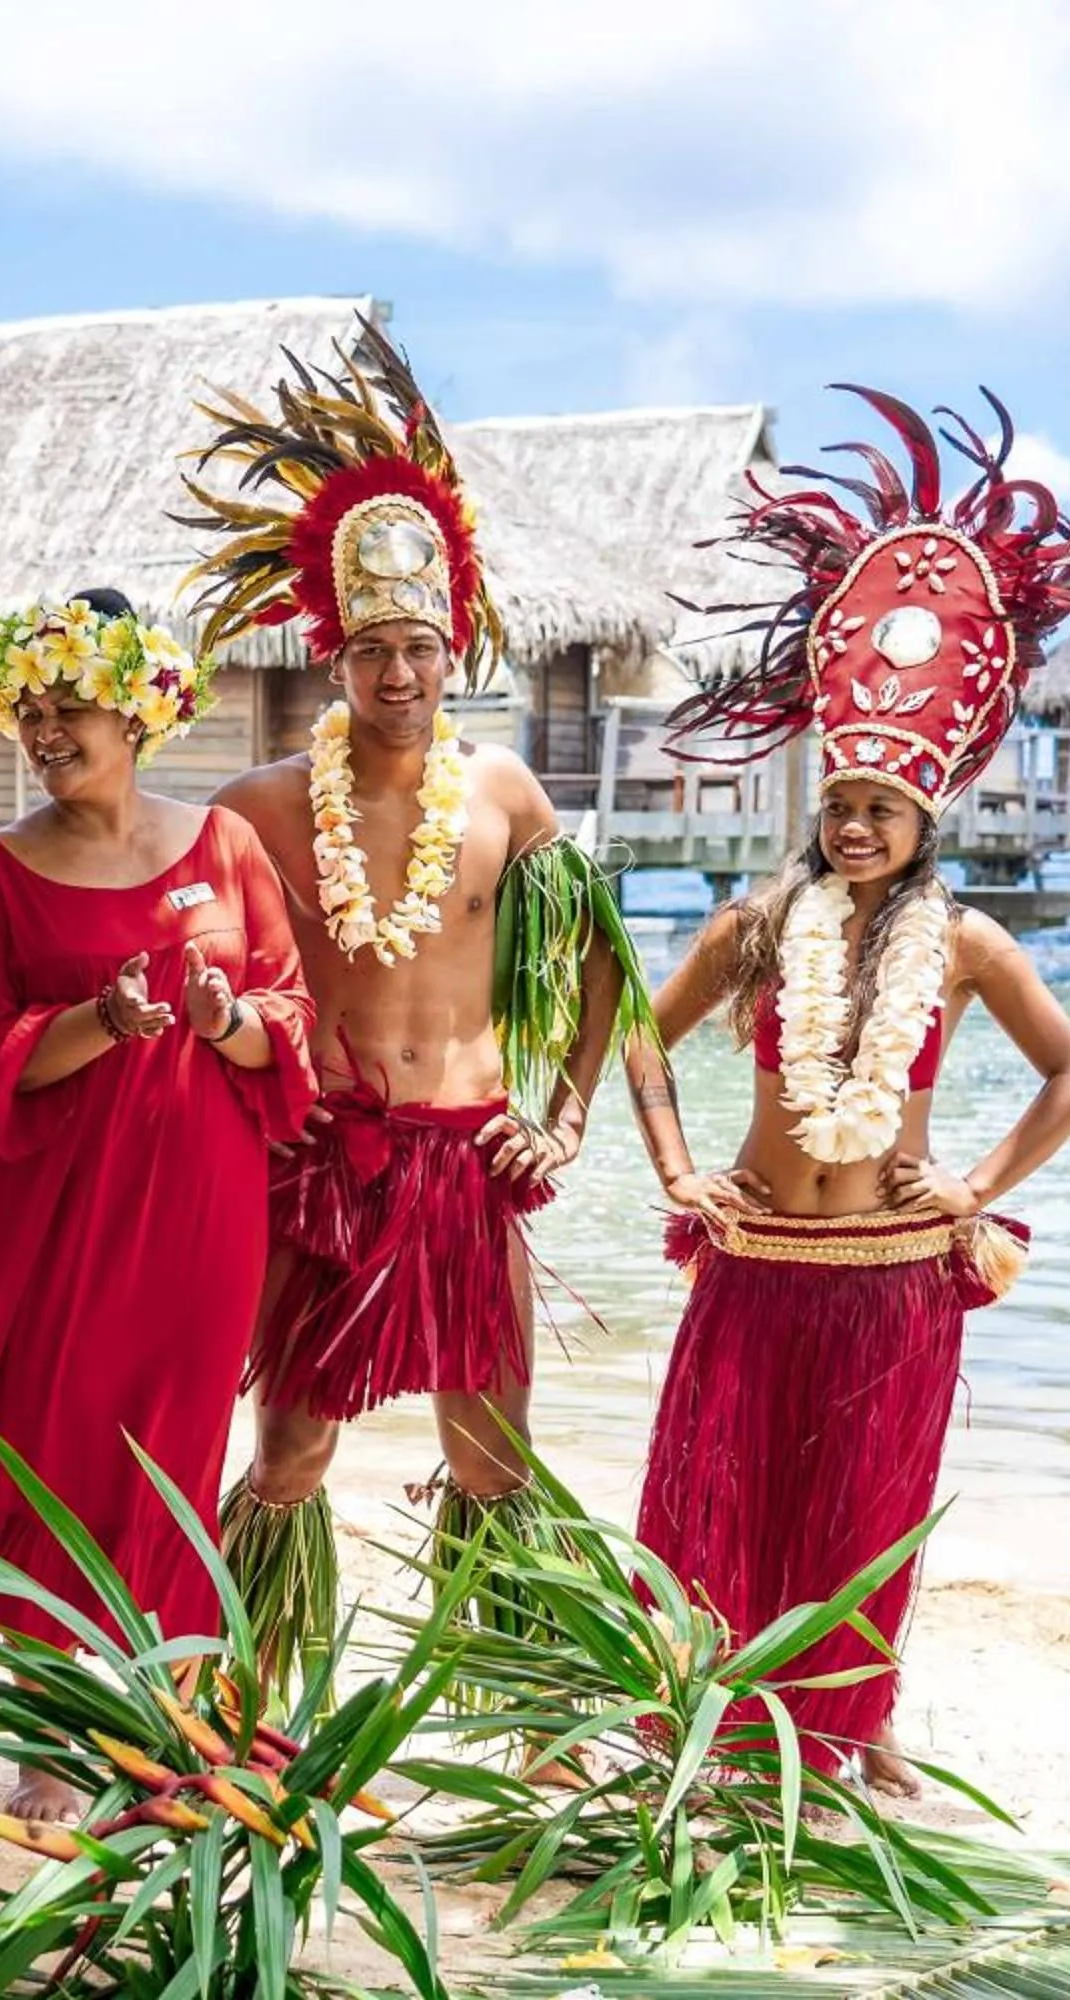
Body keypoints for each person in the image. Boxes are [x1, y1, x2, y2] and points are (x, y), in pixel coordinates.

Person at [621, 388, 1070, 1794]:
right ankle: (708, 1721)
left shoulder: (965, 943)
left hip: (897, 1261)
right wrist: (671, 1172)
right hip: (759, 1248)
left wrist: (978, 1187)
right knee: (719, 1497)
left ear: (925, 820)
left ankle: (849, 1726)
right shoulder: (757, 926)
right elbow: (637, 1039)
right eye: (838, 805)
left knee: (864, 1505)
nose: (853, 826)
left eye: (881, 811)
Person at [180, 317, 648, 1671]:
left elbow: (604, 952)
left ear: (455, 655)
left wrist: (564, 1116)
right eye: (373, 648)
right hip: (324, 1159)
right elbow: (192, 958)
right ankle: (247, 1691)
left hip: (468, 1155)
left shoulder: (502, 791)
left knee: (491, 1452)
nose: (398, 673)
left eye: (421, 649)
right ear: (335, 658)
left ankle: (530, 1710)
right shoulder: (261, 806)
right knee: (287, 1454)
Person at [0, 592, 313, 1818]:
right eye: (26, 712)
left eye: (67, 707)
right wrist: (106, 1020)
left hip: (200, 1202)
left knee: (172, 1445)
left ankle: (164, 1718)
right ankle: (48, 1727)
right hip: (41, 1206)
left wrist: (224, 1021)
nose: (43, 731)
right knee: (43, 1437)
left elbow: (291, 1014)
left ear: (135, 708)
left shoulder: (228, 847)